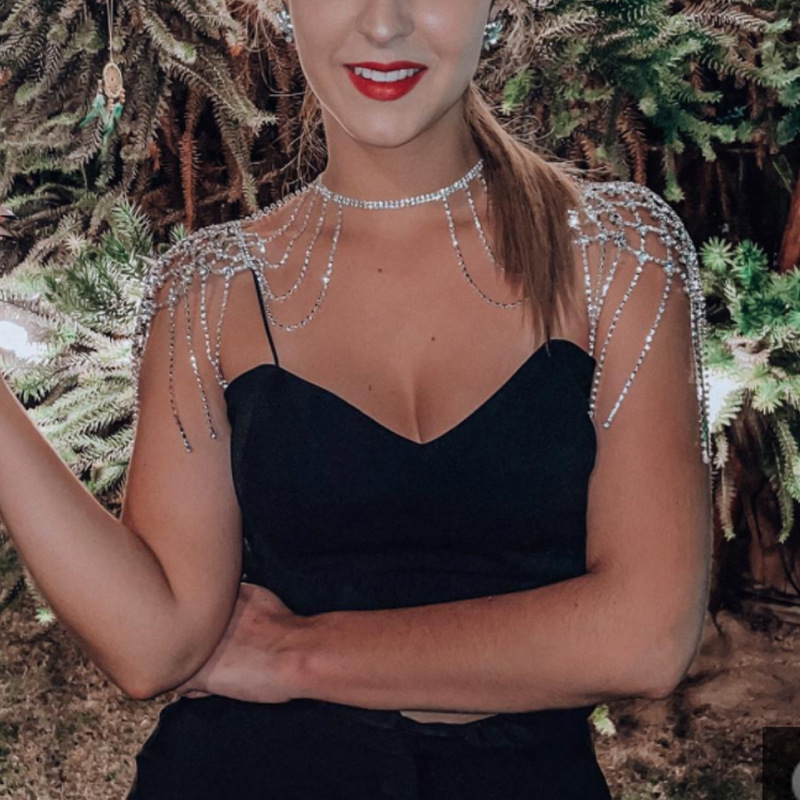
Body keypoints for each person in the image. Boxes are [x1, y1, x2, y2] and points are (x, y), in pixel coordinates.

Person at [0, 0, 714, 797]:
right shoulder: (209, 290)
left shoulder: (617, 255)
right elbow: (155, 646)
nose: (383, 24)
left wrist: (296, 654)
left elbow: (648, 636)